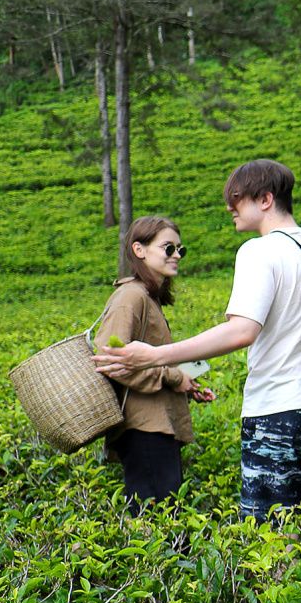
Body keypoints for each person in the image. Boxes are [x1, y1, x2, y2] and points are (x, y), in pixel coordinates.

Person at [96, 159, 301, 521]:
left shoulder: (258, 251)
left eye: (237, 199)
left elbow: (242, 331)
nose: (230, 207)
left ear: (265, 199)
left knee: (273, 532)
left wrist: (155, 356)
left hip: (280, 408)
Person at [92, 215, 216, 509]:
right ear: (139, 250)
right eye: (168, 248)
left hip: (158, 423)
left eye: (180, 250)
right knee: (154, 517)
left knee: (165, 511)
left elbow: (147, 360)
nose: (176, 256)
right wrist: (173, 378)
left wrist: (185, 382)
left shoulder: (148, 297)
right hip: (143, 426)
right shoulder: (130, 297)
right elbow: (109, 360)